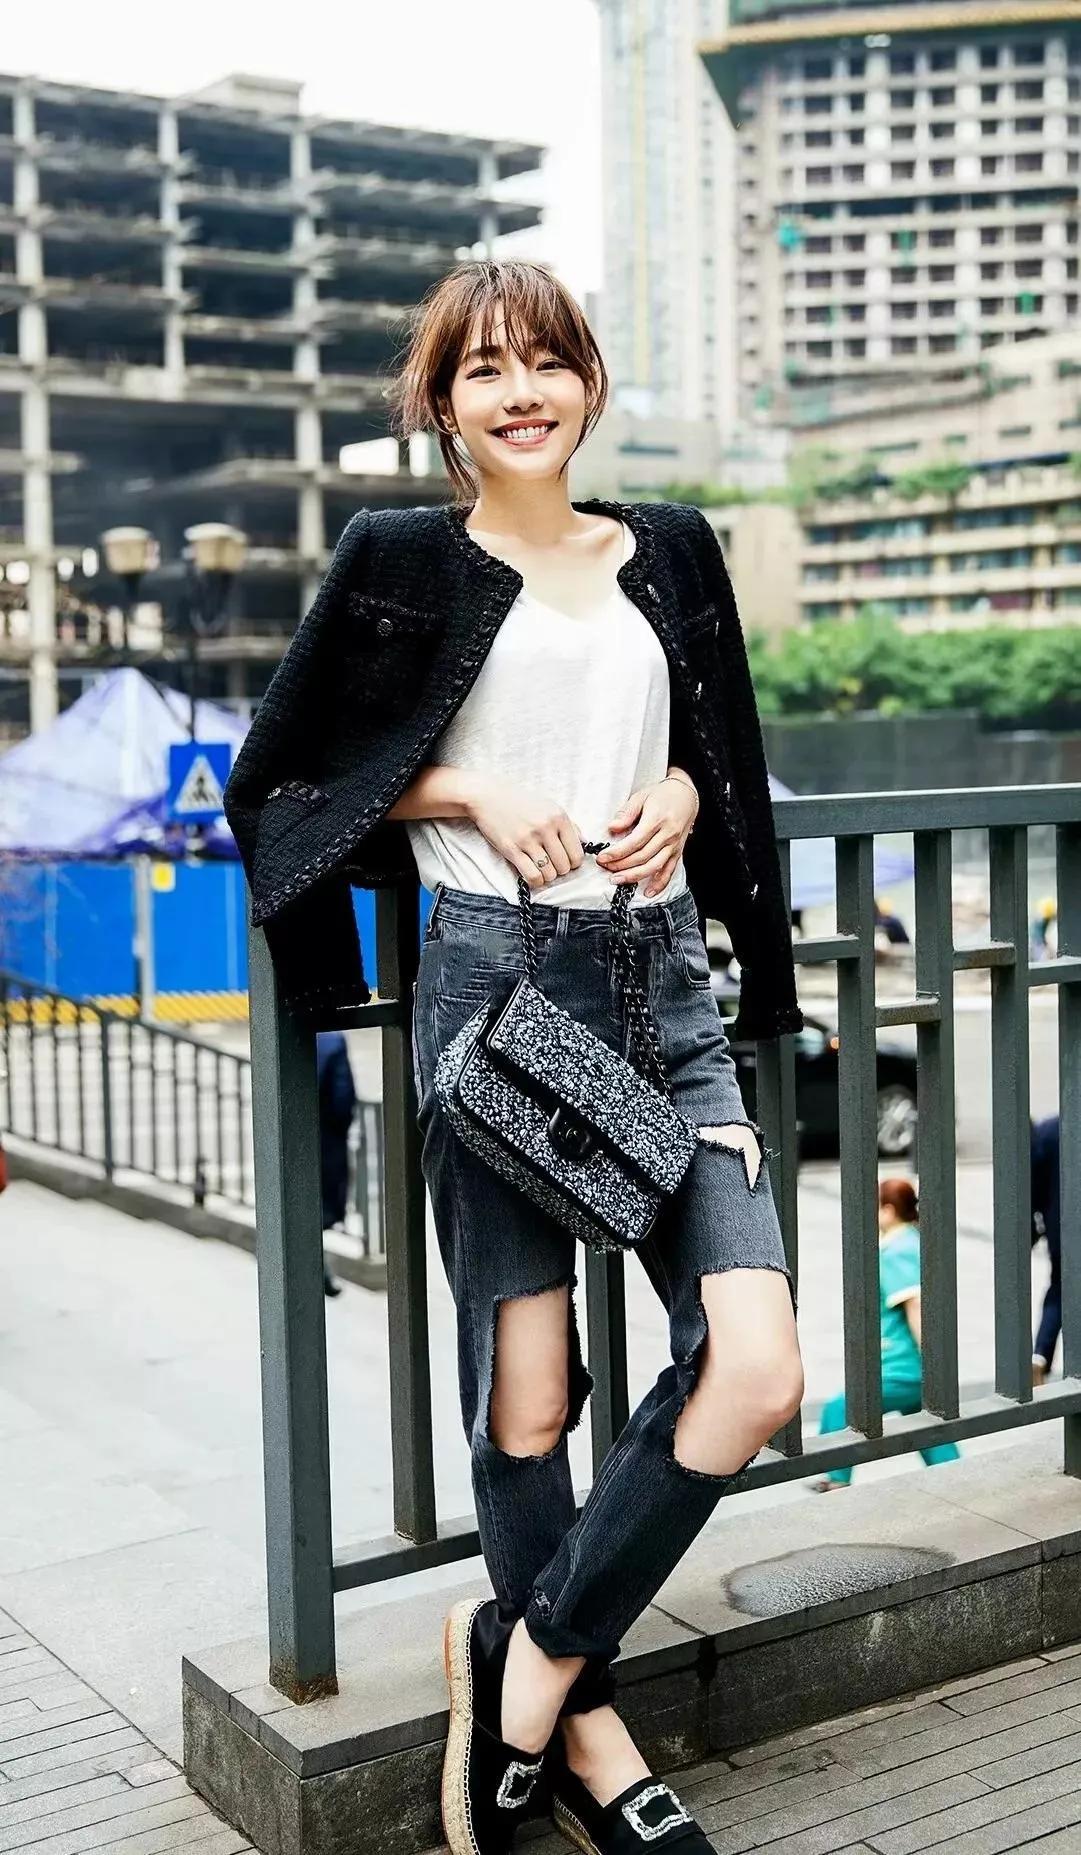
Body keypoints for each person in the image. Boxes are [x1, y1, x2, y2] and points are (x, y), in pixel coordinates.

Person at [224, 258, 805, 1855]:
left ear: (589, 382)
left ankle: (529, 1658)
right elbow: (285, 783)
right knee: (530, 1394)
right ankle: (594, 1742)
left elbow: (716, 749)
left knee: (754, 1362)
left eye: (544, 359)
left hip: (662, 987)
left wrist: (680, 792)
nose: (519, 389)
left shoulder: (668, 547)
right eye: (482, 368)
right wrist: (465, 787)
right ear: (442, 403)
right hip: (497, 987)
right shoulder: (399, 558)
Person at [814, 1177, 960, 1491]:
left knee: (842, 1407)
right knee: (927, 1426)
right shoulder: (913, 1240)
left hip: (903, 1362)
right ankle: (956, 1475)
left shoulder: (896, 1251)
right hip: (913, 1362)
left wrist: (931, 1362)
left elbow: (915, 1305)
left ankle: (835, 1479)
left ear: (889, 1210)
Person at [316, 1030, 357, 1298]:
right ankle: (319, 1272)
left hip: (290, 1140)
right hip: (326, 1140)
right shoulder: (332, 1040)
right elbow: (342, 1100)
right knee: (321, 1209)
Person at [1031, 1116, 1062, 1386]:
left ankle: (1040, 1355)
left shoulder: (1050, 1130)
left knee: (1059, 1289)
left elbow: (1034, 1187)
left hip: (1061, 1228)